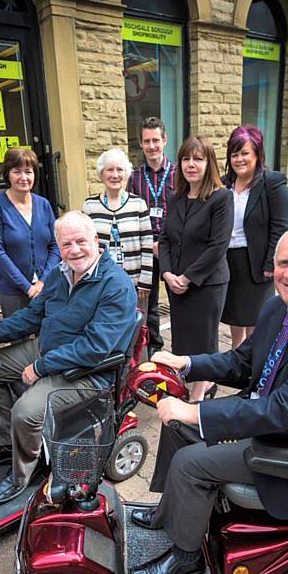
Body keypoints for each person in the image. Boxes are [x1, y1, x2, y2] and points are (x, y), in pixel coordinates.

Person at [129, 226, 288, 574]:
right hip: (269, 419)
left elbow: (284, 410)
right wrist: (186, 364)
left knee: (190, 460)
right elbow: (241, 364)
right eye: (283, 263)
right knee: (177, 428)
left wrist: (195, 410)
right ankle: (170, 513)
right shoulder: (278, 307)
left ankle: (186, 557)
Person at [0, 211, 137, 505]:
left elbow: (95, 347)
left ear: (95, 240)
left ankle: (22, 475)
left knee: (25, 411)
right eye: (65, 244)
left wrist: (40, 367)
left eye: (80, 241)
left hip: (88, 371)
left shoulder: (116, 285)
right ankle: (8, 443)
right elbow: (32, 316)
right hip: (49, 349)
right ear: (58, 247)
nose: (73, 250)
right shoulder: (59, 274)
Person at [159, 135, 234, 401]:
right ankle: (189, 381)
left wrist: (188, 277)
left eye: (198, 159)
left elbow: (218, 246)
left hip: (206, 284)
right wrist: (167, 274)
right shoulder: (176, 197)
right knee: (182, 339)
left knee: (203, 341)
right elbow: (165, 238)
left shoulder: (221, 197)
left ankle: (199, 394)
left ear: (209, 163)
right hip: (176, 283)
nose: (191, 164)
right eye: (186, 159)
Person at [221, 125, 288, 348]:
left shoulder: (272, 184)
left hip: (258, 264)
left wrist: (272, 262)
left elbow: (281, 227)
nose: (239, 159)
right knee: (235, 315)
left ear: (257, 155)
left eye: (245, 153)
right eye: (234, 154)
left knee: (255, 321)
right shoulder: (224, 185)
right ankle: (236, 352)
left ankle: (255, 365)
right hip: (229, 260)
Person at [0, 148, 60, 317]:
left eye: (28, 171)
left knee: (49, 337)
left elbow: (56, 245)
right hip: (13, 292)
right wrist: (27, 287)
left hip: (46, 288)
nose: (23, 177)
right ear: (8, 174)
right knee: (19, 340)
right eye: (17, 171)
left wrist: (43, 281)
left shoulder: (44, 204)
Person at [127, 117, 177, 357]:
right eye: (147, 141)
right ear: (141, 143)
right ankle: (154, 348)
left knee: (179, 300)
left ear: (164, 140)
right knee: (150, 301)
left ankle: (180, 350)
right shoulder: (134, 177)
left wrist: (164, 242)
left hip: (172, 247)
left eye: (156, 140)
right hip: (145, 248)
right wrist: (150, 244)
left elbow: (182, 213)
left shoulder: (179, 174)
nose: (152, 146)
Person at [83, 148, 153, 313]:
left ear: (127, 173)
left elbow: (147, 244)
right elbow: (86, 245)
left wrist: (145, 280)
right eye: (110, 169)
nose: (115, 175)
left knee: (135, 328)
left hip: (135, 282)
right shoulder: (90, 205)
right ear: (101, 173)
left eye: (120, 169)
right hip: (101, 282)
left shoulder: (138, 204)